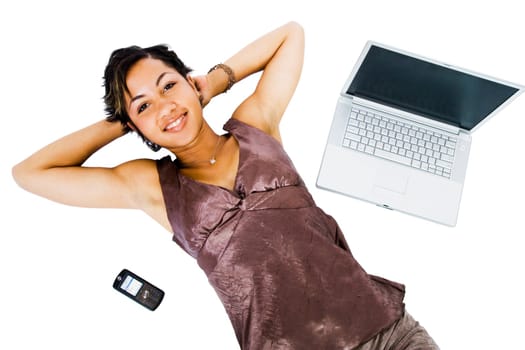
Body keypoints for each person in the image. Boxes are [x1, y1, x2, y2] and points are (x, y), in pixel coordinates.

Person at [12, 22, 438, 349]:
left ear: (188, 82)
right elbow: (30, 174)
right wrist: (123, 122)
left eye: (169, 86)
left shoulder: (255, 125)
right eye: (145, 106)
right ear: (135, 125)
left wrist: (215, 81)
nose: (166, 107)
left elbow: (291, 35)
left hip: (388, 331)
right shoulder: (151, 186)